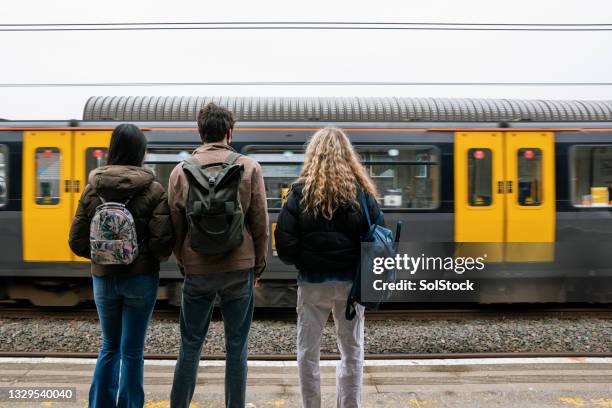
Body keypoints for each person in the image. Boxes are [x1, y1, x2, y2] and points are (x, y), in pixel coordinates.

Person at [167, 102, 269, 408]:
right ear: (230, 132)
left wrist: (185, 261)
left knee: (190, 346)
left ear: (199, 132)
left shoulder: (180, 172)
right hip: (240, 268)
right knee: (236, 347)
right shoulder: (249, 167)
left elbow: (175, 226)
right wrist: (258, 266)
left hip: (197, 268)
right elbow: (261, 222)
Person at [68, 123, 175, 408]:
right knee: (132, 351)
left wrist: (103, 254)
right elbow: (163, 246)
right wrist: (140, 255)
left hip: (103, 279)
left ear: (112, 149)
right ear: (141, 152)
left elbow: (76, 241)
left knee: (109, 346)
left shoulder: (93, 189)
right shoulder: (154, 190)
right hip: (140, 278)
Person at [274, 127, 382, 408]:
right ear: (348, 155)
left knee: (308, 352)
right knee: (352, 350)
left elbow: (285, 247)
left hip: (312, 284)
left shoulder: (299, 194)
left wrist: (306, 262)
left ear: (313, 155)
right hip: (351, 286)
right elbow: (378, 237)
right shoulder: (361, 194)